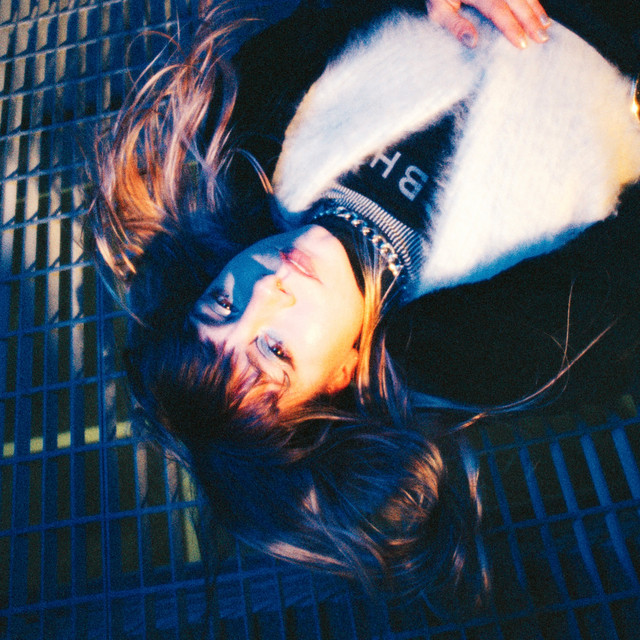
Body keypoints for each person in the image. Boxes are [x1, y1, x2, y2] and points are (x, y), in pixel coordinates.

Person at [87, 0, 640, 600]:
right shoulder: (518, 353)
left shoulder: (251, 133)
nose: (265, 289)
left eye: (220, 303)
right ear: (341, 378)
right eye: (274, 351)